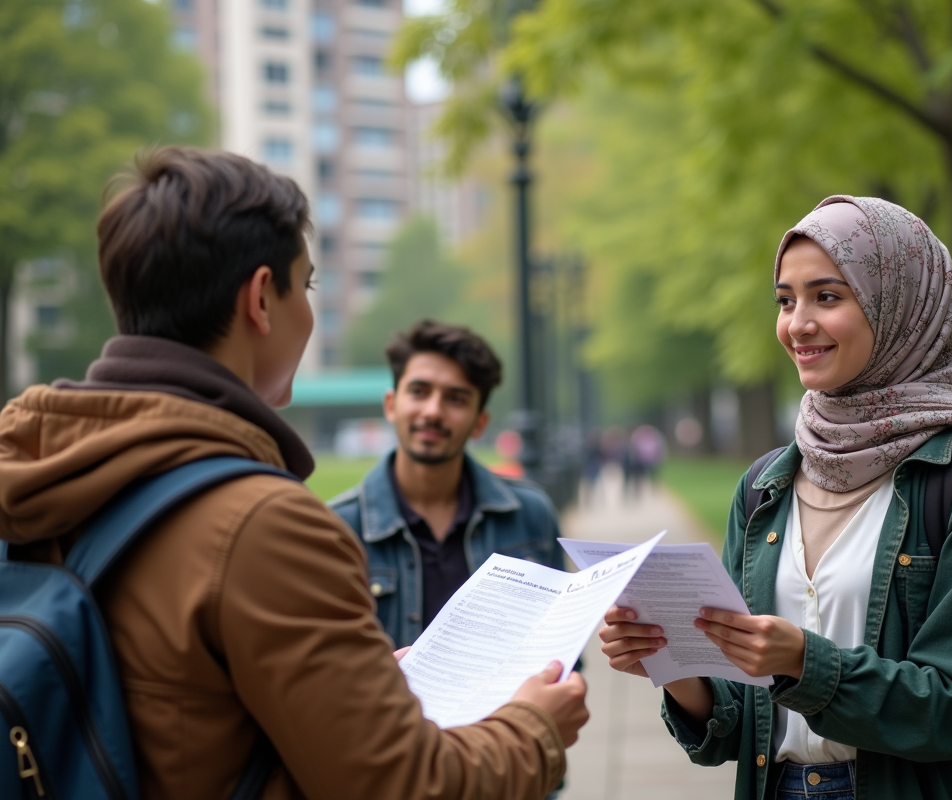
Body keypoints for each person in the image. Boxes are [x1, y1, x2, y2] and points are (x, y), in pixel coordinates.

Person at [0, 146, 587, 799]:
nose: (308, 313)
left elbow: (171, 713)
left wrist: (357, 689)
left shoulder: (36, 470)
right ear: (260, 299)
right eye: (304, 285)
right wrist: (533, 727)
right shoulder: (266, 525)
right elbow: (402, 786)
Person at [597, 196, 952, 800]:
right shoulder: (764, 485)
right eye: (786, 301)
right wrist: (675, 667)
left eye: (828, 296)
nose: (797, 323)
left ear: (898, 306)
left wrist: (804, 663)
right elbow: (739, 724)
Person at [329, 319, 564, 649]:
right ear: (390, 405)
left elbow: (561, 653)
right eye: (419, 392)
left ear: (479, 422)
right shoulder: (336, 529)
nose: (433, 411)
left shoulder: (530, 515)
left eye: (455, 398)